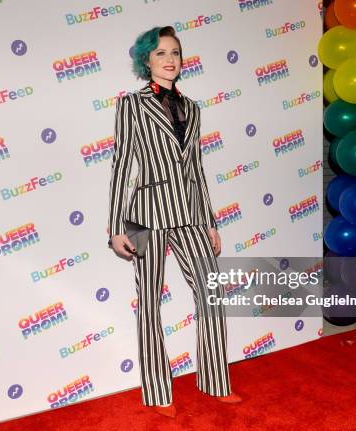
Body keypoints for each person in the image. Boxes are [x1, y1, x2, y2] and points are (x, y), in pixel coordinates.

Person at [107, 26, 242, 418]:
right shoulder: (131, 104)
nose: (170, 59)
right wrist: (116, 226)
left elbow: (197, 169)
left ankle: (215, 380)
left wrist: (211, 221)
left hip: (190, 216)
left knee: (211, 294)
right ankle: (157, 391)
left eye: (176, 53)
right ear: (146, 60)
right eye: (161, 52)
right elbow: (122, 166)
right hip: (144, 216)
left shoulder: (194, 109)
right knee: (149, 303)